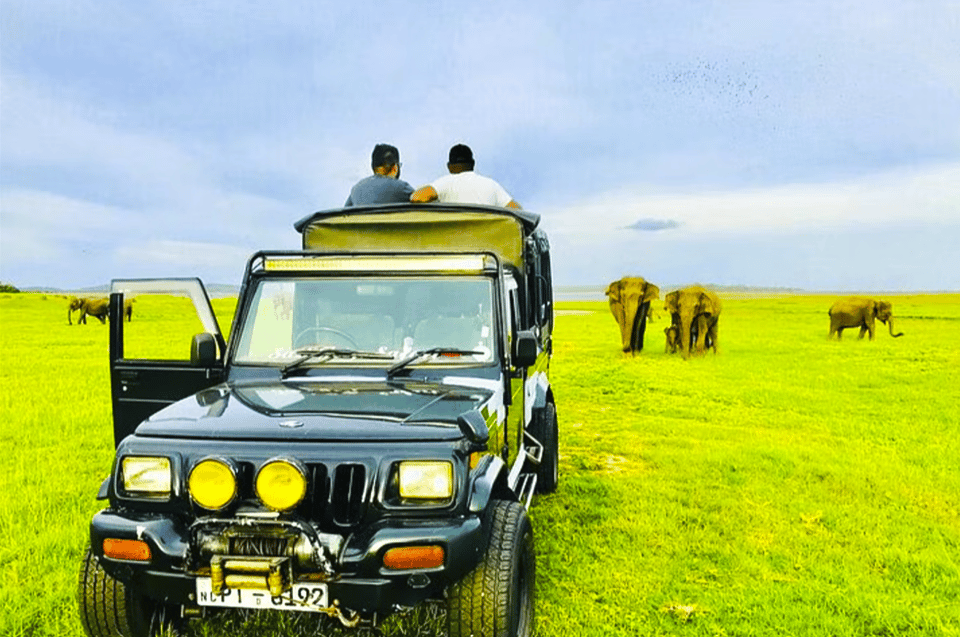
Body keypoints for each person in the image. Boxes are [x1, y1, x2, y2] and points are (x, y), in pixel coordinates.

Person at [410, 144, 521, 209]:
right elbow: (518, 211)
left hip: (455, 244)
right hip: (487, 245)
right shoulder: (492, 185)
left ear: (449, 167)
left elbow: (417, 197)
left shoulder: (446, 183)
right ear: (473, 164)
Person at [344, 144, 414, 206]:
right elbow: (420, 198)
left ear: (373, 167)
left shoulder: (356, 189)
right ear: (395, 167)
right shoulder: (402, 187)